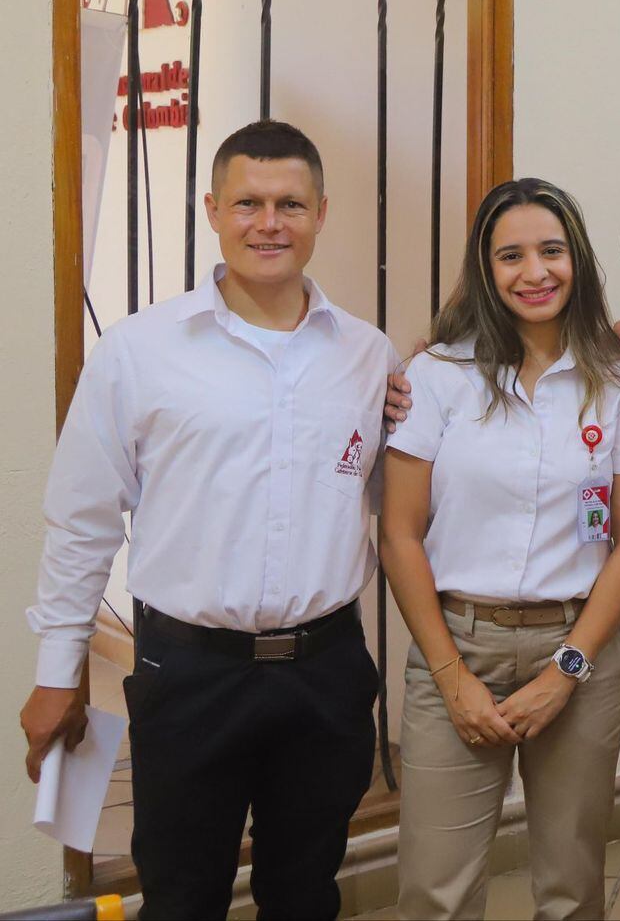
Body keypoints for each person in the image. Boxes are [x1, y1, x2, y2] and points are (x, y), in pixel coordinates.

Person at [21, 120, 396, 919]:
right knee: (182, 894)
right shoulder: (138, 352)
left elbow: (396, 499)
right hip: (189, 675)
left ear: (321, 212)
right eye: (249, 203)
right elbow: (83, 521)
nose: (270, 223)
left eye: (290, 203)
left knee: (305, 893)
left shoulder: (368, 357)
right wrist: (58, 673)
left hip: (326, 672)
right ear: (213, 209)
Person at [379, 179, 620, 920]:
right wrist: (452, 677)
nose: (534, 272)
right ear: (485, 269)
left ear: (579, 261)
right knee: (436, 895)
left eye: (551, 251)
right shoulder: (439, 376)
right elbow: (399, 536)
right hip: (456, 646)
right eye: (511, 256)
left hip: (581, 653)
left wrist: (569, 670)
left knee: (571, 892)